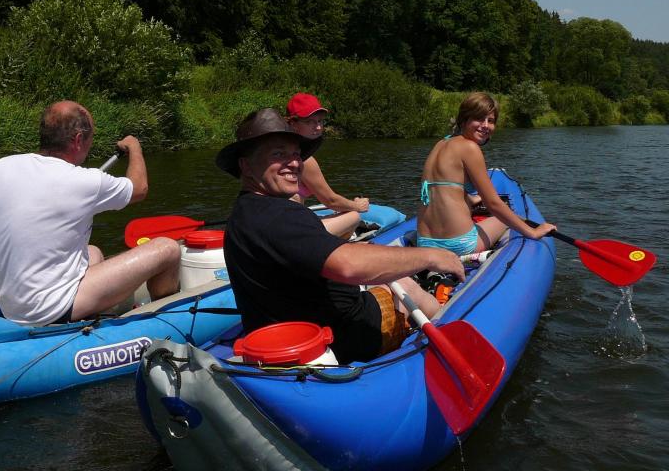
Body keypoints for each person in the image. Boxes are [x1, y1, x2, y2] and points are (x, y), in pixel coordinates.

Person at [216, 108, 465, 364]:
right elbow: (348, 266)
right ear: (246, 165)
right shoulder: (278, 215)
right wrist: (431, 255)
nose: (293, 163)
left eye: (296, 154)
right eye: (278, 154)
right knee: (406, 283)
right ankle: (451, 329)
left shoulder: (245, 211)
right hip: (344, 336)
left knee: (386, 281)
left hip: (290, 330)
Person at [0, 100, 180, 326]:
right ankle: (166, 321)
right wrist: (135, 147)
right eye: (90, 139)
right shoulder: (86, 181)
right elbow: (139, 188)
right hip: (49, 310)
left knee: (93, 253)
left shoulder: (0, 167)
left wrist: (13, 239)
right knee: (168, 249)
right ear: (79, 140)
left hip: (12, 305)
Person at [416, 92, 556, 255]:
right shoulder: (469, 147)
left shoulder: (441, 143)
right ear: (465, 119)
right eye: (479, 118)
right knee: (505, 220)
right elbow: (493, 204)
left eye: (491, 121)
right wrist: (533, 232)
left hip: (425, 242)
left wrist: (472, 198)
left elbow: (443, 188)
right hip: (457, 244)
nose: (485, 125)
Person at [286, 93, 369, 239]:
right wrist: (358, 205)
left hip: (282, 223)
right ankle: (337, 250)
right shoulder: (303, 159)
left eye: (320, 121)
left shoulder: (277, 152)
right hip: (292, 232)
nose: (318, 127)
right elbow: (331, 201)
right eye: (310, 122)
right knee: (353, 216)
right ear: (293, 124)